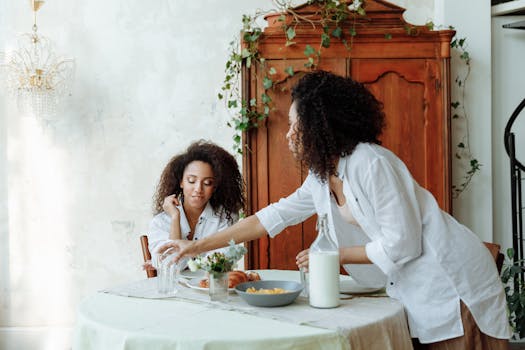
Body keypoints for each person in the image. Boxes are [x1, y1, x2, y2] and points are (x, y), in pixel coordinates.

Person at [158, 71, 511, 348]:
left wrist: (331, 255)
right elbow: (272, 217)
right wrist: (196, 246)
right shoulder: (324, 174)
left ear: (322, 126)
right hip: (414, 287)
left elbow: (404, 243)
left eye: (297, 125)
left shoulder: (369, 162)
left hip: (450, 281)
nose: (289, 135)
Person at [145, 140, 245, 269]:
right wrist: (175, 218)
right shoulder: (161, 222)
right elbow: (171, 268)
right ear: (181, 182)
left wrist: (161, 261)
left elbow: (221, 265)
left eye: (207, 183)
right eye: (191, 181)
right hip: (175, 289)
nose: (198, 189)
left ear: (214, 187)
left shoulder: (225, 218)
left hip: (212, 288)